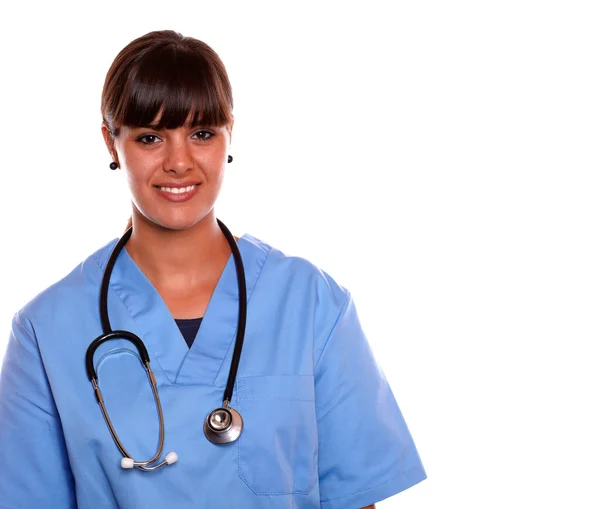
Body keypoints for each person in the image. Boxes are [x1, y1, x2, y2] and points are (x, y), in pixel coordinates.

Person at [0, 30, 426, 508]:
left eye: (201, 133)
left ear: (229, 136)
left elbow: (356, 498)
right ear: (111, 144)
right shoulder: (46, 330)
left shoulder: (311, 303)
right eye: (149, 137)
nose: (178, 162)